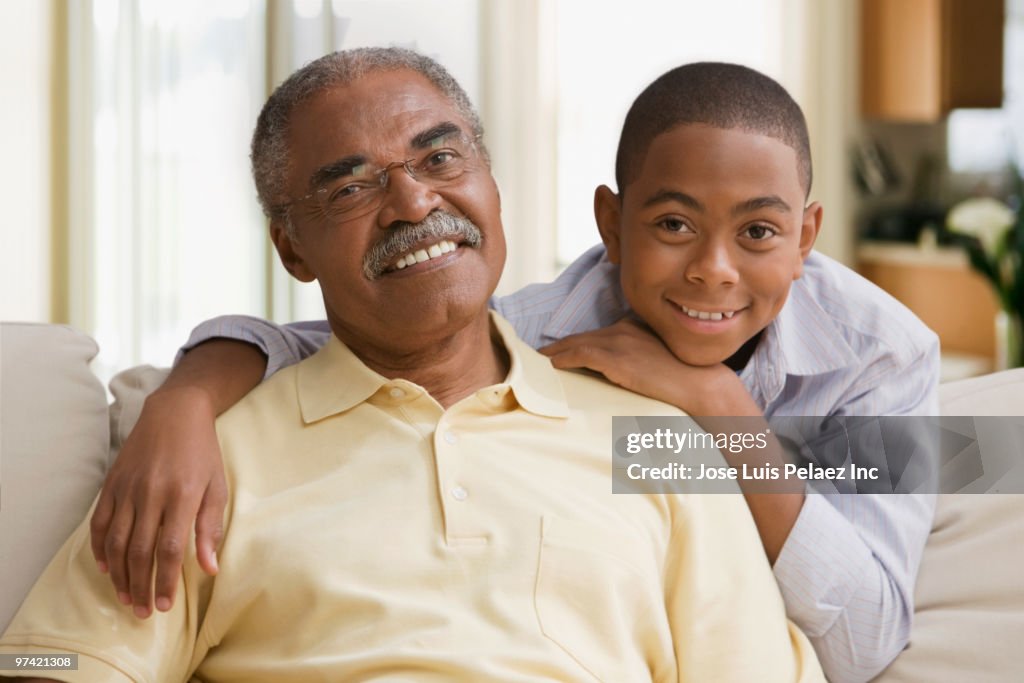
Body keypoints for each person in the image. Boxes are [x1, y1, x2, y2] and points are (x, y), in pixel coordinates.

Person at [89, 62, 937, 681]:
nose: (713, 270)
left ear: (809, 234)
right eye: (673, 223)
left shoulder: (889, 356)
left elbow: (867, 637)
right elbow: (351, 340)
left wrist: (719, 412)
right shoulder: (533, 333)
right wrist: (185, 400)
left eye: (758, 232)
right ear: (610, 222)